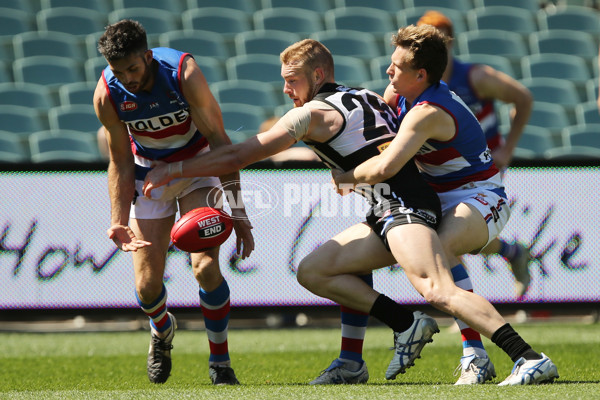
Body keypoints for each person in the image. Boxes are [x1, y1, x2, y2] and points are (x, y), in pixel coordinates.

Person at [143, 37, 558, 386]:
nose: (287, 90)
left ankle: (526, 356)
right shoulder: (366, 94)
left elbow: (238, 153)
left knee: (437, 288)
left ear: (318, 76)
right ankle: (399, 329)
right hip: (392, 208)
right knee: (315, 270)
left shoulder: (312, 113)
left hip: (407, 207)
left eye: (292, 81)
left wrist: (175, 168)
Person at [332, 24, 558, 386]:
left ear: (420, 74)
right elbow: (372, 118)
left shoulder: (428, 111)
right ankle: (355, 359)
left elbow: (387, 164)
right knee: (342, 264)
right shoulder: (400, 92)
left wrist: (346, 176)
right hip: (441, 197)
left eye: (397, 65)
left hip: (481, 195)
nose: (388, 70)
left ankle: (500, 356)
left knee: (439, 250)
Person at [93, 19, 254, 385]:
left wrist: (239, 213)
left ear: (147, 57)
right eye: (119, 72)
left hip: (197, 166)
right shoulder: (107, 93)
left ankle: (220, 362)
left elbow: (220, 142)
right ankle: (162, 330)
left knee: (205, 268)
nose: (128, 79)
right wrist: (117, 219)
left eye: (133, 68)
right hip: (149, 173)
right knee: (147, 288)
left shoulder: (184, 74)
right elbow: (119, 158)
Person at [417, 10, 535, 299]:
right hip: (442, 172)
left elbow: (523, 98)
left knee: (454, 236)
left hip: (480, 169)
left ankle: (464, 306)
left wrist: (507, 148)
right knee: (452, 238)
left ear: (449, 44)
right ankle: (510, 253)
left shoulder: (475, 77)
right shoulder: (416, 82)